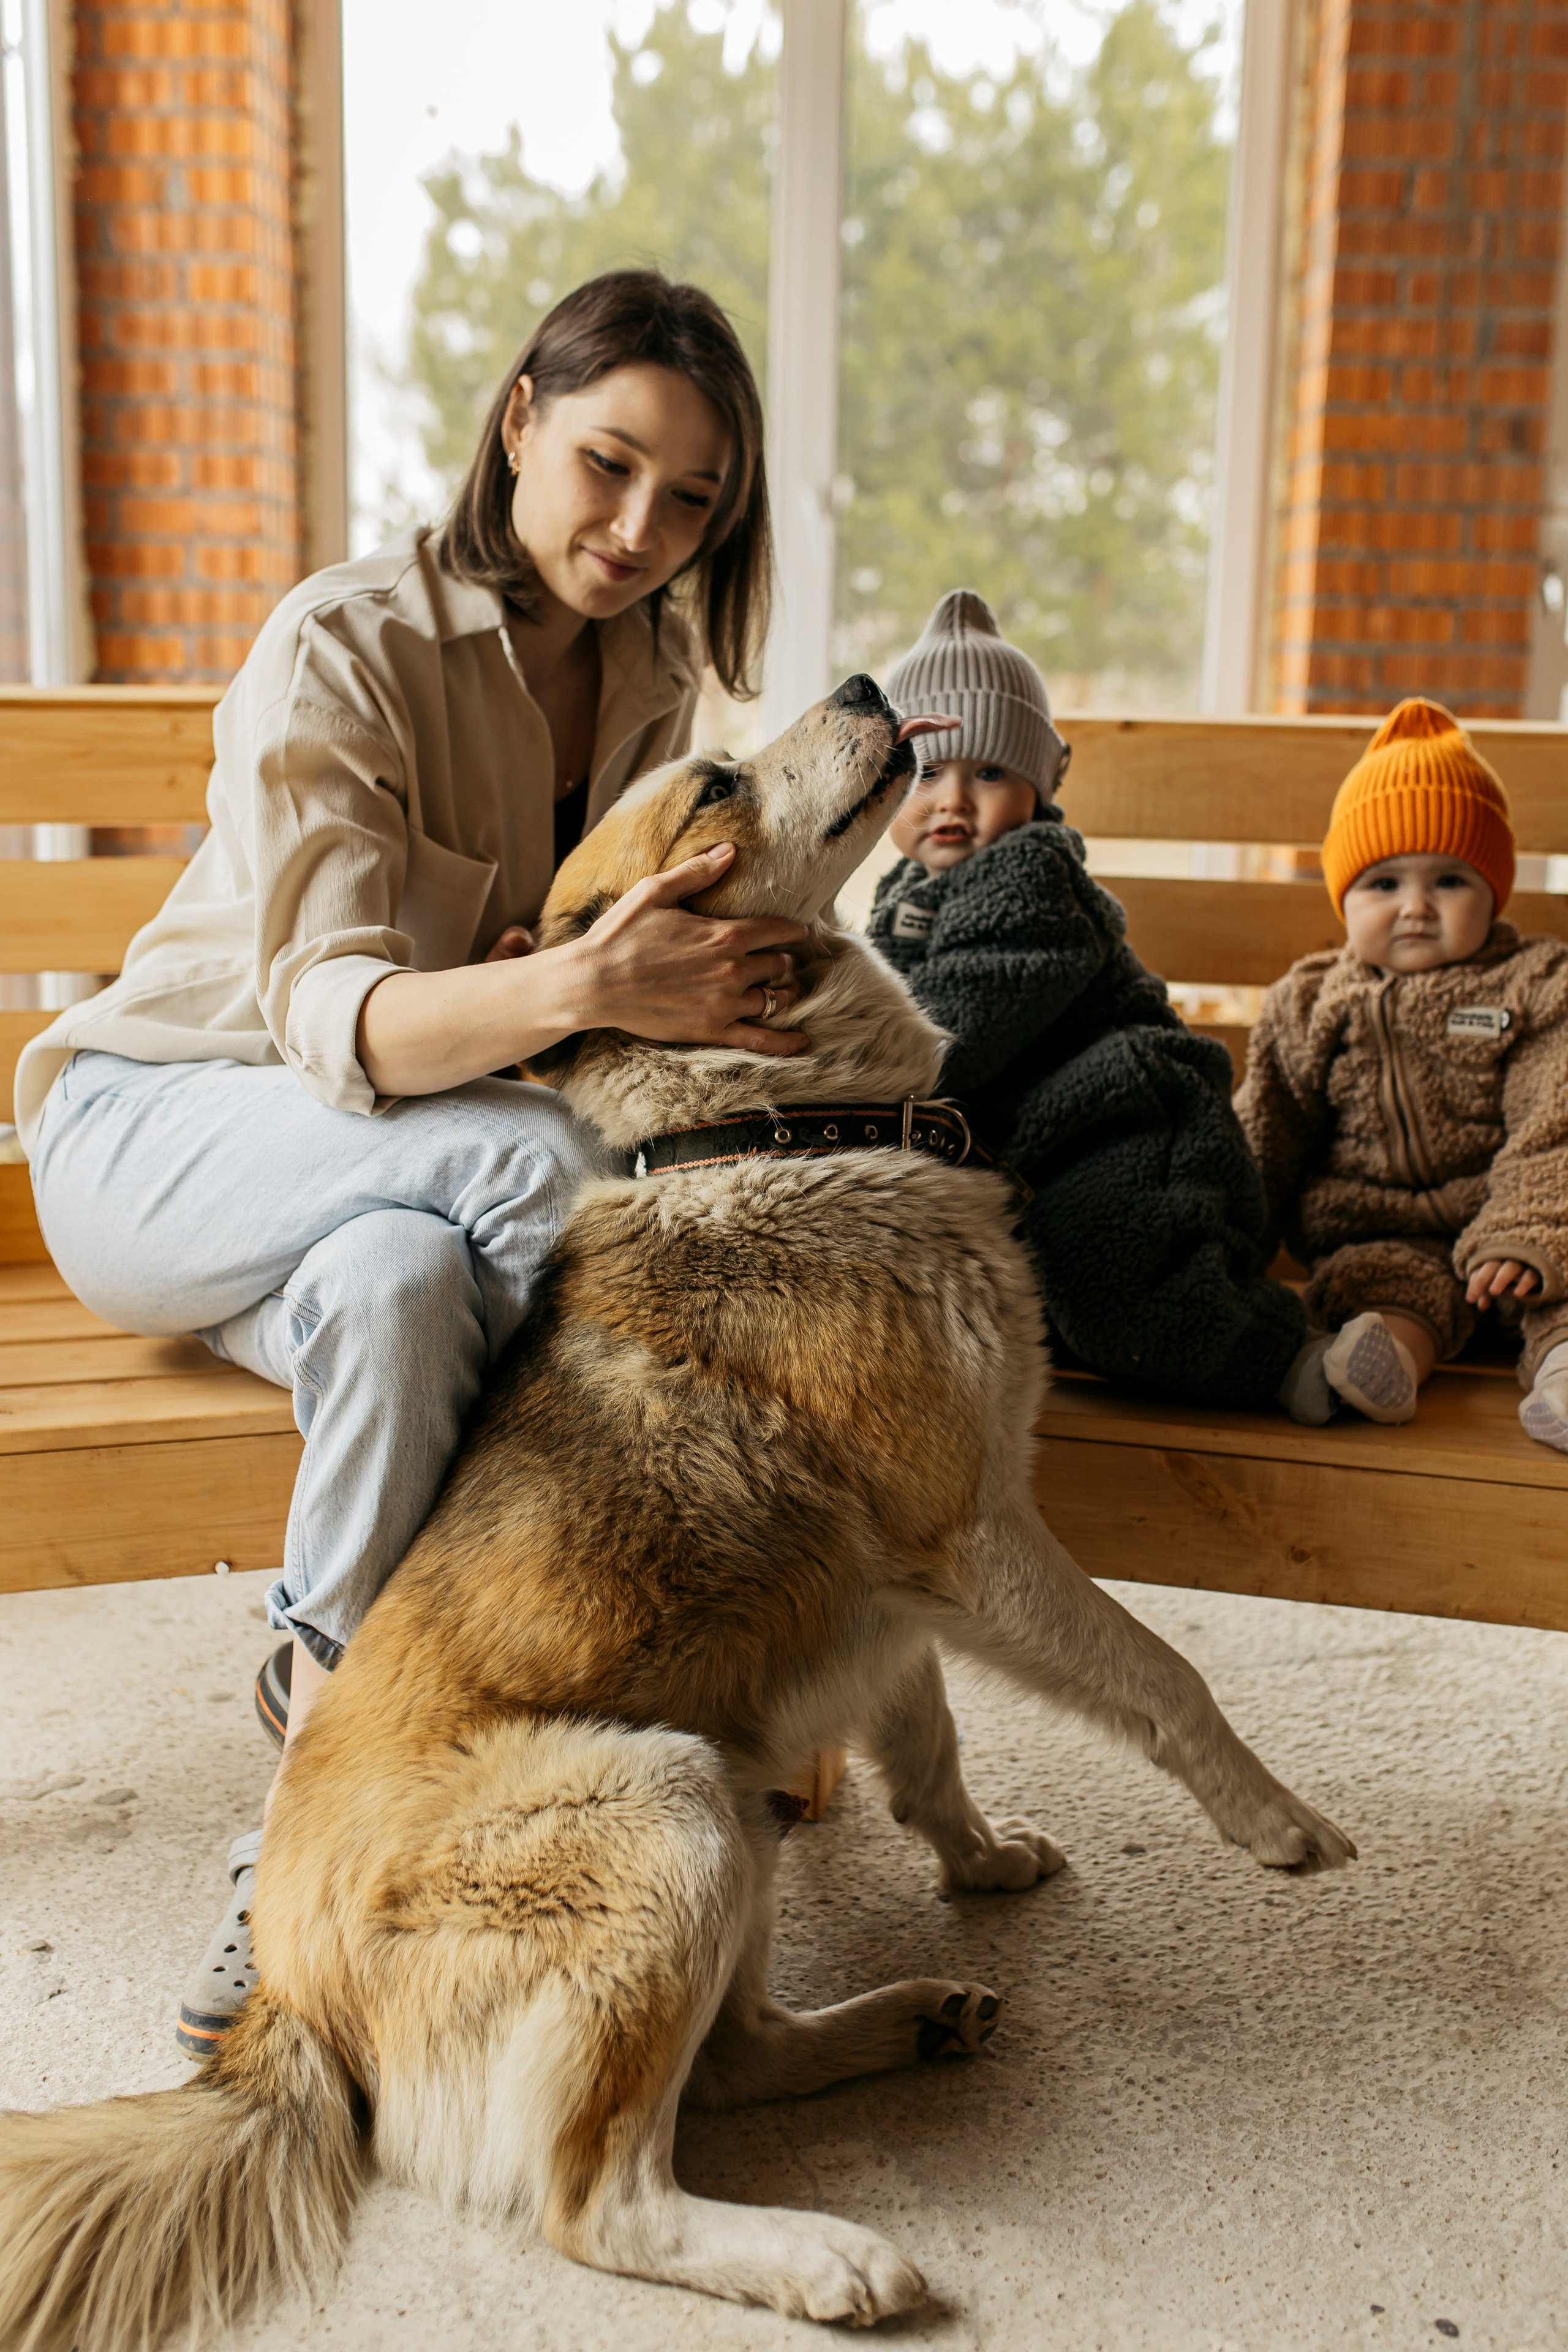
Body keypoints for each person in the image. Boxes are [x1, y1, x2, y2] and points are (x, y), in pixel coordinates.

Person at [14, 268, 803, 2052]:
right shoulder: (342, 640)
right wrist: (591, 983)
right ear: (518, 418)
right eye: (608, 462)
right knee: (541, 1179)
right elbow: (341, 1025)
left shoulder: (663, 681)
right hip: (154, 1134)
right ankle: (572, 1680)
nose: (637, 527)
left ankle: (304, 1804)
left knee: (399, 1286)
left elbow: (610, 1006)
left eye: (691, 500)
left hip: (383, 1198)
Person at [867, 590, 1306, 1406]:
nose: (954, 799)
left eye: (990, 772)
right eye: (926, 771)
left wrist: (844, 1069)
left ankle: (1281, 1356)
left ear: (1042, 787)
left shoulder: (1033, 876)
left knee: (1110, 1271)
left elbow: (952, 1033)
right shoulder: (902, 891)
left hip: (1130, 1123)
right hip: (1033, 1153)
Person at [1235, 696, 1568, 1436]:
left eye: (1449, 881)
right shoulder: (1310, 1001)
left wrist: (1526, 1233)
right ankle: (1378, 1367)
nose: (1416, 905)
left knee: (1565, 1284)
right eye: (1384, 884)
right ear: (1343, 897)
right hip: (1379, 1231)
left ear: (1493, 891)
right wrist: (1222, 1257)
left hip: (1522, 1229)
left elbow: (1556, 1120)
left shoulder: (1537, 983)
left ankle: (1563, 1374)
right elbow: (1263, 1138)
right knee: (1378, 1290)